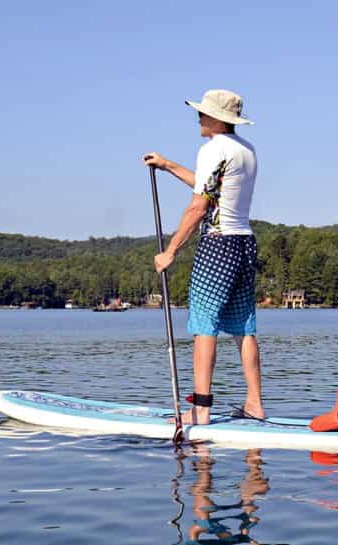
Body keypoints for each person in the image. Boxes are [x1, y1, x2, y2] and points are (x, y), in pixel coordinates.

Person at [144, 89, 262, 424]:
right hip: (244, 243)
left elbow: (200, 206)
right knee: (244, 328)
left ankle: (201, 410)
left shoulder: (212, 149)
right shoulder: (246, 150)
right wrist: (168, 166)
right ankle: (254, 403)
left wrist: (170, 251)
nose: (198, 118)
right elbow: (211, 188)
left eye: (203, 113)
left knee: (203, 326)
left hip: (217, 245)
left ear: (217, 119)